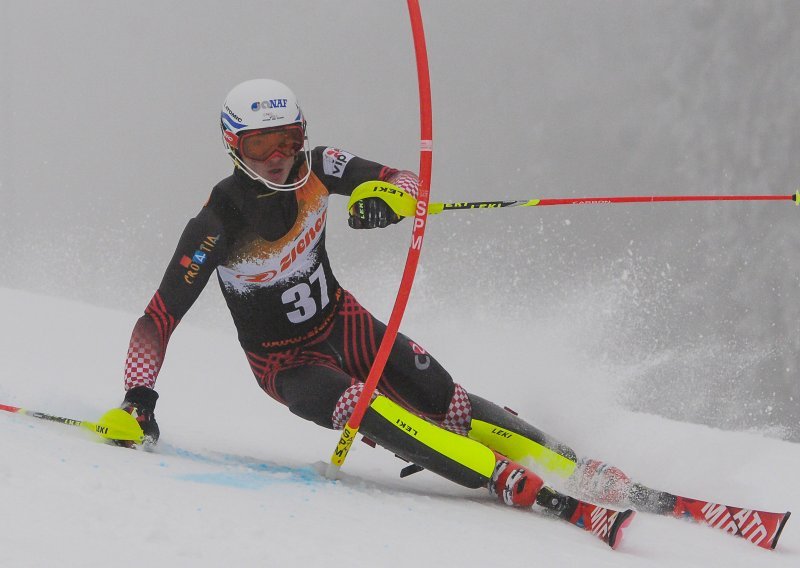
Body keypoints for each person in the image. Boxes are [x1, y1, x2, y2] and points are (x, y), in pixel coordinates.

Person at [114, 78, 701, 548]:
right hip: (286, 365)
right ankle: (500, 477)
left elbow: (407, 180)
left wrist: (383, 202)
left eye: (288, 140)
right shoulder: (214, 226)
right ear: (232, 144)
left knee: (450, 401)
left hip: (346, 324)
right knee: (358, 403)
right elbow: (157, 319)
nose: (277, 158)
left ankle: (576, 467)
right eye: (260, 145)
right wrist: (139, 401)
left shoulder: (320, 167)